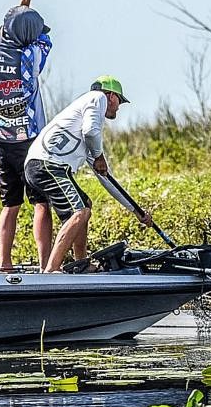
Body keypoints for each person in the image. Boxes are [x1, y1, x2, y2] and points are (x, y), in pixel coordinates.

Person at [24, 75, 153, 273]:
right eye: (120, 101)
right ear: (111, 96)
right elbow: (92, 131)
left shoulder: (85, 133)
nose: (118, 108)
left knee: (85, 204)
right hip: (47, 164)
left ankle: (81, 263)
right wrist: (99, 155)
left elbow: (107, 178)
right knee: (80, 211)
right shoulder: (96, 98)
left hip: (45, 166)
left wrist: (137, 212)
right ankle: (51, 269)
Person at [0, 0, 53, 272]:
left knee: (10, 204)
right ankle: (47, 265)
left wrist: (18, 12)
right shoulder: (29, 58)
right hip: (31, 142)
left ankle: (4, 263)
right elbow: (45, 41)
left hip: (1, 143)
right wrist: (27, 20)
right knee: (41, 203)